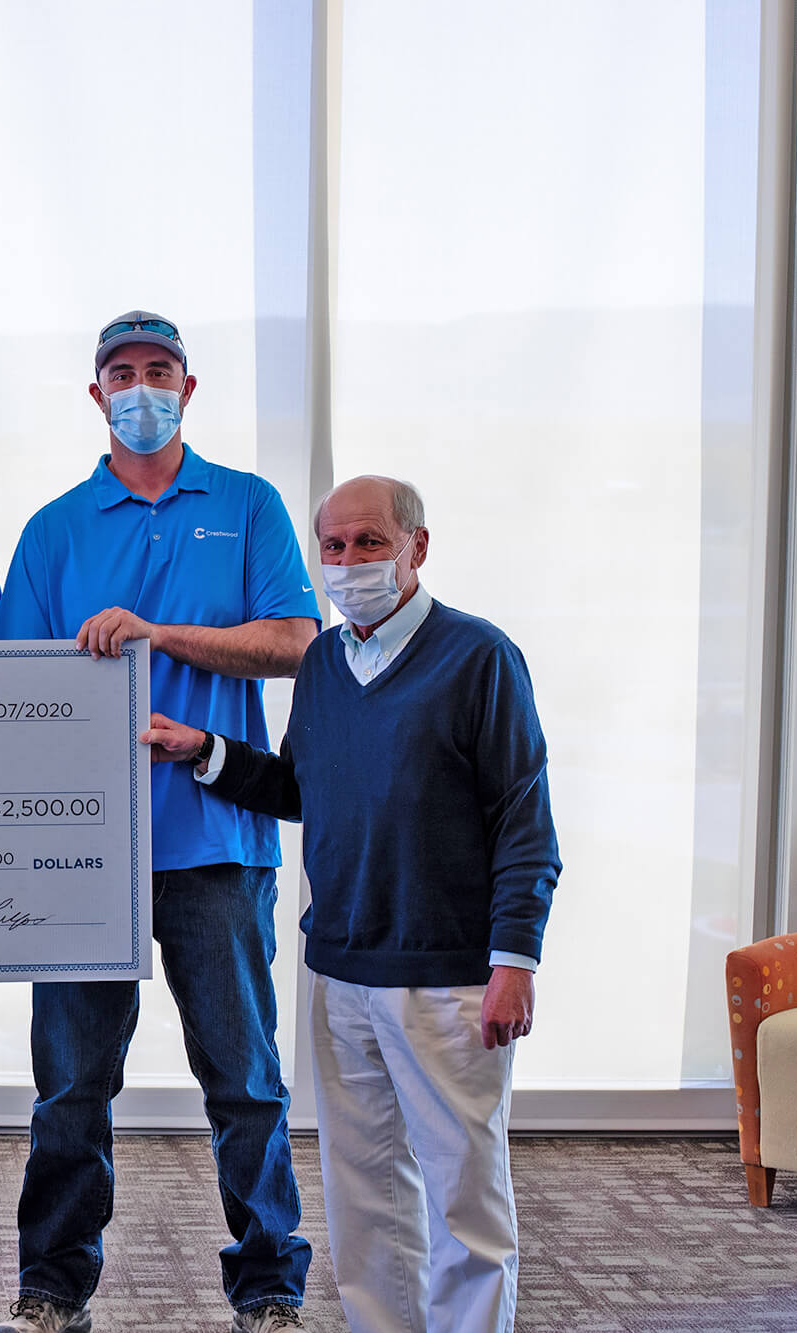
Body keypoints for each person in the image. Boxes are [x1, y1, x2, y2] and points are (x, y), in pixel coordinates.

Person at [146, 475, 559, 1333]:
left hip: (446, 978)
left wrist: (514, 961)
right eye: (331, 546)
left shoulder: (479, 658)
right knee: (364, 1197)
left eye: (368, 542)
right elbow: (304, 788)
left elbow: (526, 820)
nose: (346, 562)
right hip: (339, 972)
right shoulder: (327, 663)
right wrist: (207, 750)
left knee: (464, 1198)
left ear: (417, 546)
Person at [0, 312, 319, 1333]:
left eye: (157, 371)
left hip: (212, 841)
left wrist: (157, 634)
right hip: (82, 855)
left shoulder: (246, 505)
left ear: (187, 385)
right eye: (119, 374)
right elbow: (12, 691)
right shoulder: (53, 528)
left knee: (244, 1082)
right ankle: (51, 1286)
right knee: (71, 1091)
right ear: (95, 394)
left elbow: (295, 642)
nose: (139, 387)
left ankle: (267, 1287)